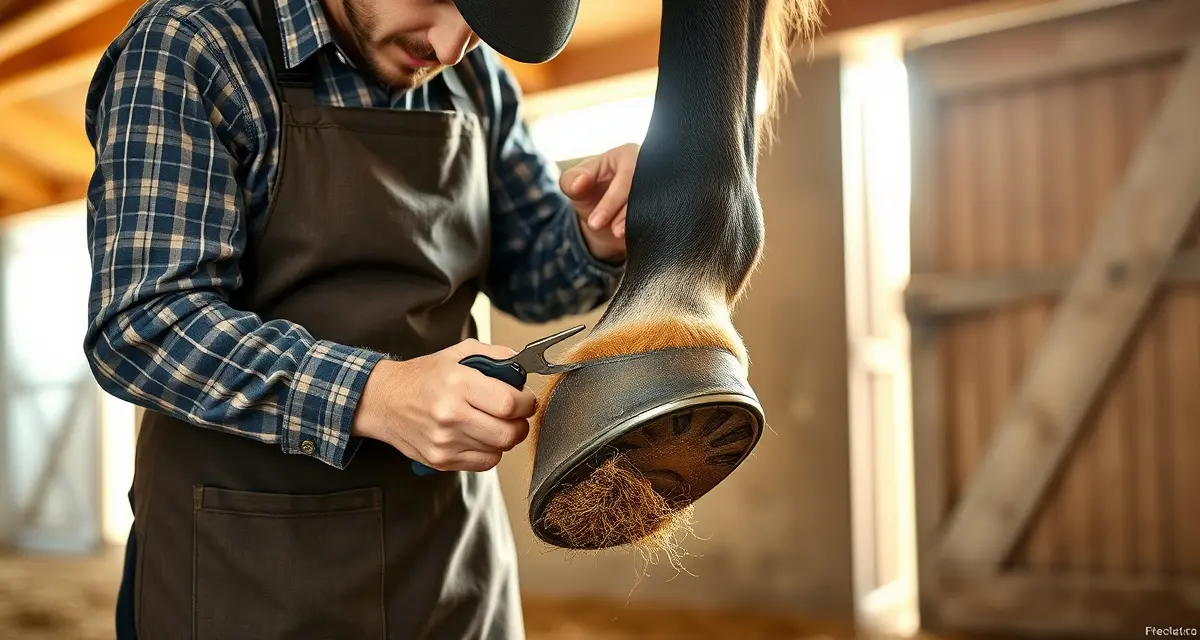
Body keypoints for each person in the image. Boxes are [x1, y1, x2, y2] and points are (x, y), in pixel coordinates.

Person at [81, 0, 637, 637]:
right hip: (245, 574)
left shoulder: (477, 82)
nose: (453, 47)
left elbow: (537, 275)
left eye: (481, 25)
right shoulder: (196, 45)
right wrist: (378, 395)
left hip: (447, 566)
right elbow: (145, 325)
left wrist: (601, 232)